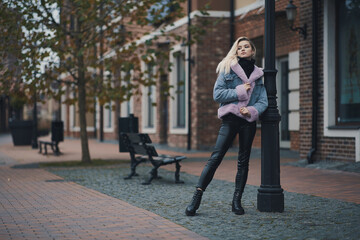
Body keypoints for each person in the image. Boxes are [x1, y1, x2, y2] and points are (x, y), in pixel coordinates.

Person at [185, 36, 268, 216]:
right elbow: (218, 94)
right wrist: (240, 90)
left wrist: (252, 110)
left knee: (243, 161)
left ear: (252, 51)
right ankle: (196, 198)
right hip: (230, 118)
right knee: (216, 157)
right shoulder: (227, 69)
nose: (243, 49)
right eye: (240, 48)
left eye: (247, 47)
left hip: (248, 121)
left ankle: (236, 201)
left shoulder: (259, 74)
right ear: (236, 51)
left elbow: (263, 101)